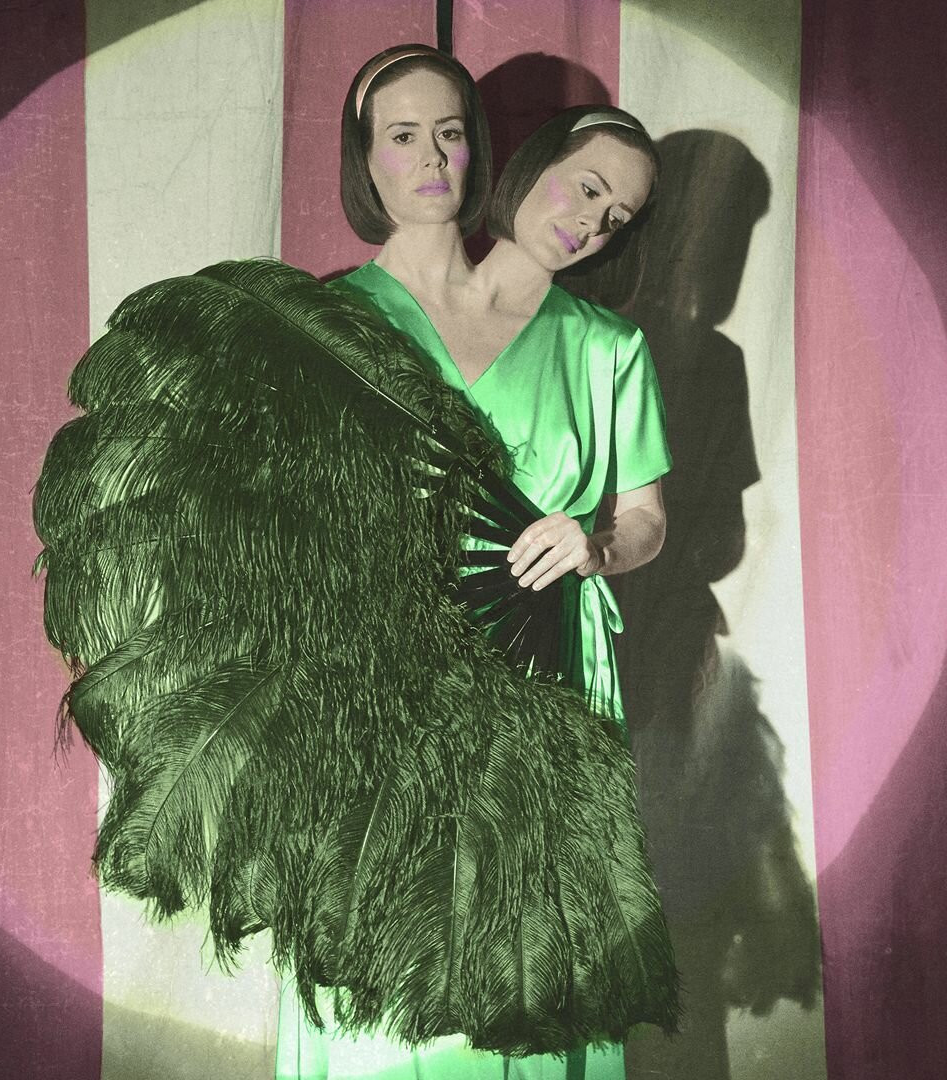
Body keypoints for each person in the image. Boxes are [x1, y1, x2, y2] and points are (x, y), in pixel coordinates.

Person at [274, 44, 673, 1080]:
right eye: (402, 135)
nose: (431, 156)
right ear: (364, 158)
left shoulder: (607, 347)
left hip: (543, 672)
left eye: (449, 132)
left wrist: (595, 544)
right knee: (386, 947)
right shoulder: (331, 323)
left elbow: (647, 518)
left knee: (528, 948)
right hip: (383, 673)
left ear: (482, 146)